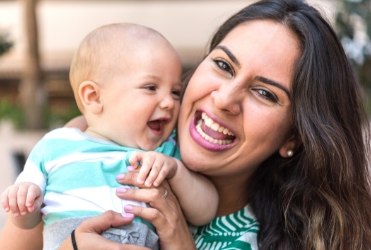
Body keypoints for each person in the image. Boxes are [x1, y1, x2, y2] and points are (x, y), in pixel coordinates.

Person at [1, 0, 371, 249]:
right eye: (223, 65)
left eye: (265, 93)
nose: (224, 99)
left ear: (294, 136)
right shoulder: (97, 139)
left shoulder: (263, 238)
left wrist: (179, 241)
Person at [0, 23, 218, 249]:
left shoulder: (164, 153)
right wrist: (23, 202)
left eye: (175, 92)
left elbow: (206, 210)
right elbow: (26, 223)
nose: (169, 102)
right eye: (151, 87)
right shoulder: (55, 146)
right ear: (93, 97)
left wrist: (175, 169)